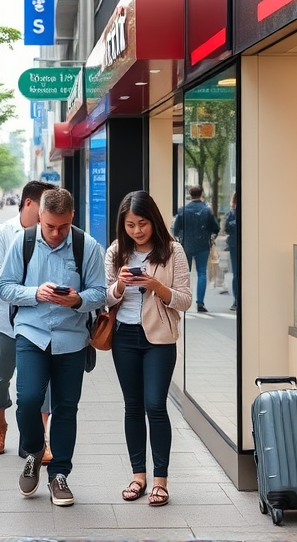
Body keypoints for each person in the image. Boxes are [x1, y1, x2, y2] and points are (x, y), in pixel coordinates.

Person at [0, 188, 106, 507]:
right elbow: (4, 287)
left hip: (72, 339)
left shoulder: (87, 246)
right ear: (40, 217)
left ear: (72, 216)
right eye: (50, 226)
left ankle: (59, 474)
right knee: (28, 399)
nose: (56, 233)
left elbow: (100, 292)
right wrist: (35, 293)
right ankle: (34, 450)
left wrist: (78, 300)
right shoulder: (24, 242)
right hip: (31, 334)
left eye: (62, 226)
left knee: (65, 408)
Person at [106, 190, 192, 507]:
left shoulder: (172, 251)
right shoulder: (116, 251)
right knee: (133, 406)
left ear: (153, 220)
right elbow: (105, 297)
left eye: (142, 223)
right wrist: (120, 285)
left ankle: (161, 481)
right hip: (124, 337)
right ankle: (138, 476)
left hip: (160, 338)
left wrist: (156, 287)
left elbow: (185, 300)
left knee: (155, 405)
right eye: (130, 225)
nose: (137, 231)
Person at [0, 180, 56, 459]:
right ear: (29, 203)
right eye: (44, 205)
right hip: (6, 323)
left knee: (41, 383)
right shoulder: (3, 233)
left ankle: (39, 438)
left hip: (40, 323)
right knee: (0, 379)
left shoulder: (50, 235)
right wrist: (31, 285)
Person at [171, 185, 219, 312]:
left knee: (184, 273)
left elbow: (175, 229)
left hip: (186, 245)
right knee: (202, 273)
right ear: (201, 194)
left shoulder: (183, 210)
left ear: (190, 195)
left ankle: (183, 301)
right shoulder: (207, 210)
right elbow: (215, 228)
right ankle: (200, 303)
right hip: (203, 245)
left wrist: (179, 239)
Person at [224, 192, 238, 310]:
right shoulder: (232, 213)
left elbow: (226, 228)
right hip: (236, 244)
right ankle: (237, 300)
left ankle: (236, 300)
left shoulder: (231, 214)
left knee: (236, 273)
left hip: (234, 244)